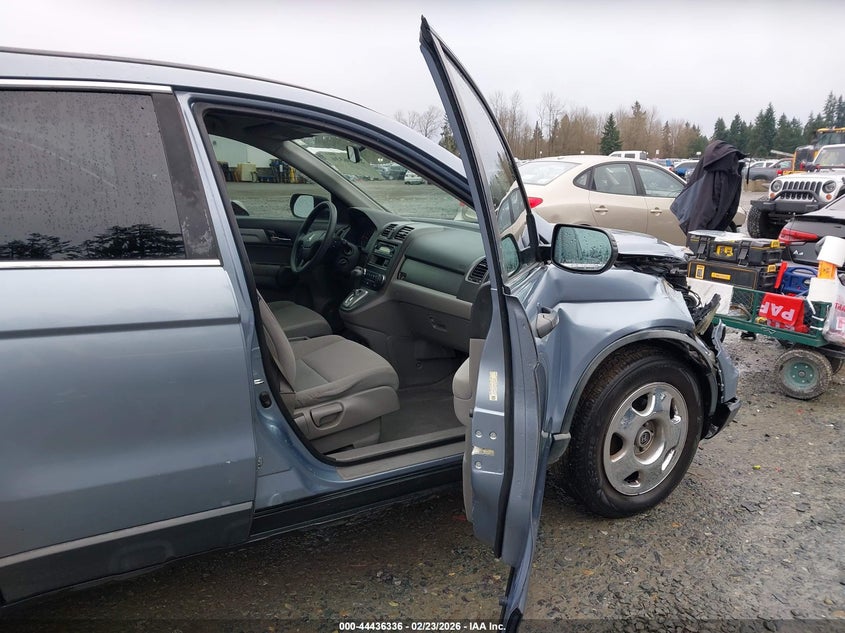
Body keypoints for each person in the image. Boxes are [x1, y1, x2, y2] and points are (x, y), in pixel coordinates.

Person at [671, 141, 746, 234]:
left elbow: (705, 206)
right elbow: (708, 205)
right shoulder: (723, 173)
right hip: (705, 226)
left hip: (701, 224)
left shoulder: (710, 168)